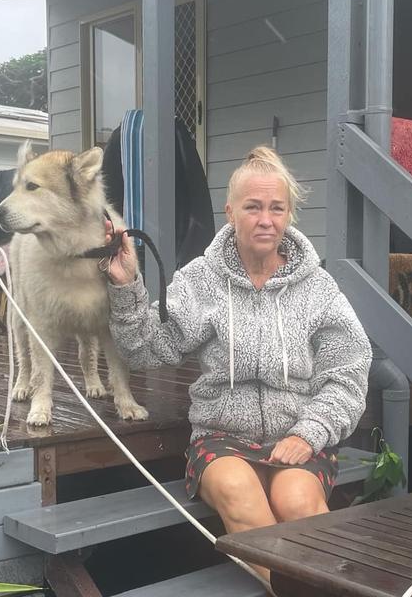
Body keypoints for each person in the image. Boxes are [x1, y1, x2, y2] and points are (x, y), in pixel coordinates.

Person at [103, 145, 372, 581]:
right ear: (230, 211)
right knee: (238, 492)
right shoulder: (200, 280)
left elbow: (348, 373)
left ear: (288, 215)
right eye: (253, 207)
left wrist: (311, 433)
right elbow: (146, 349)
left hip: (298, 434)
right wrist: (127, 285)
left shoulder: (318, 288)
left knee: (299, 504)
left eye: (276, 208)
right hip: (222, 437)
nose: (266, 220)